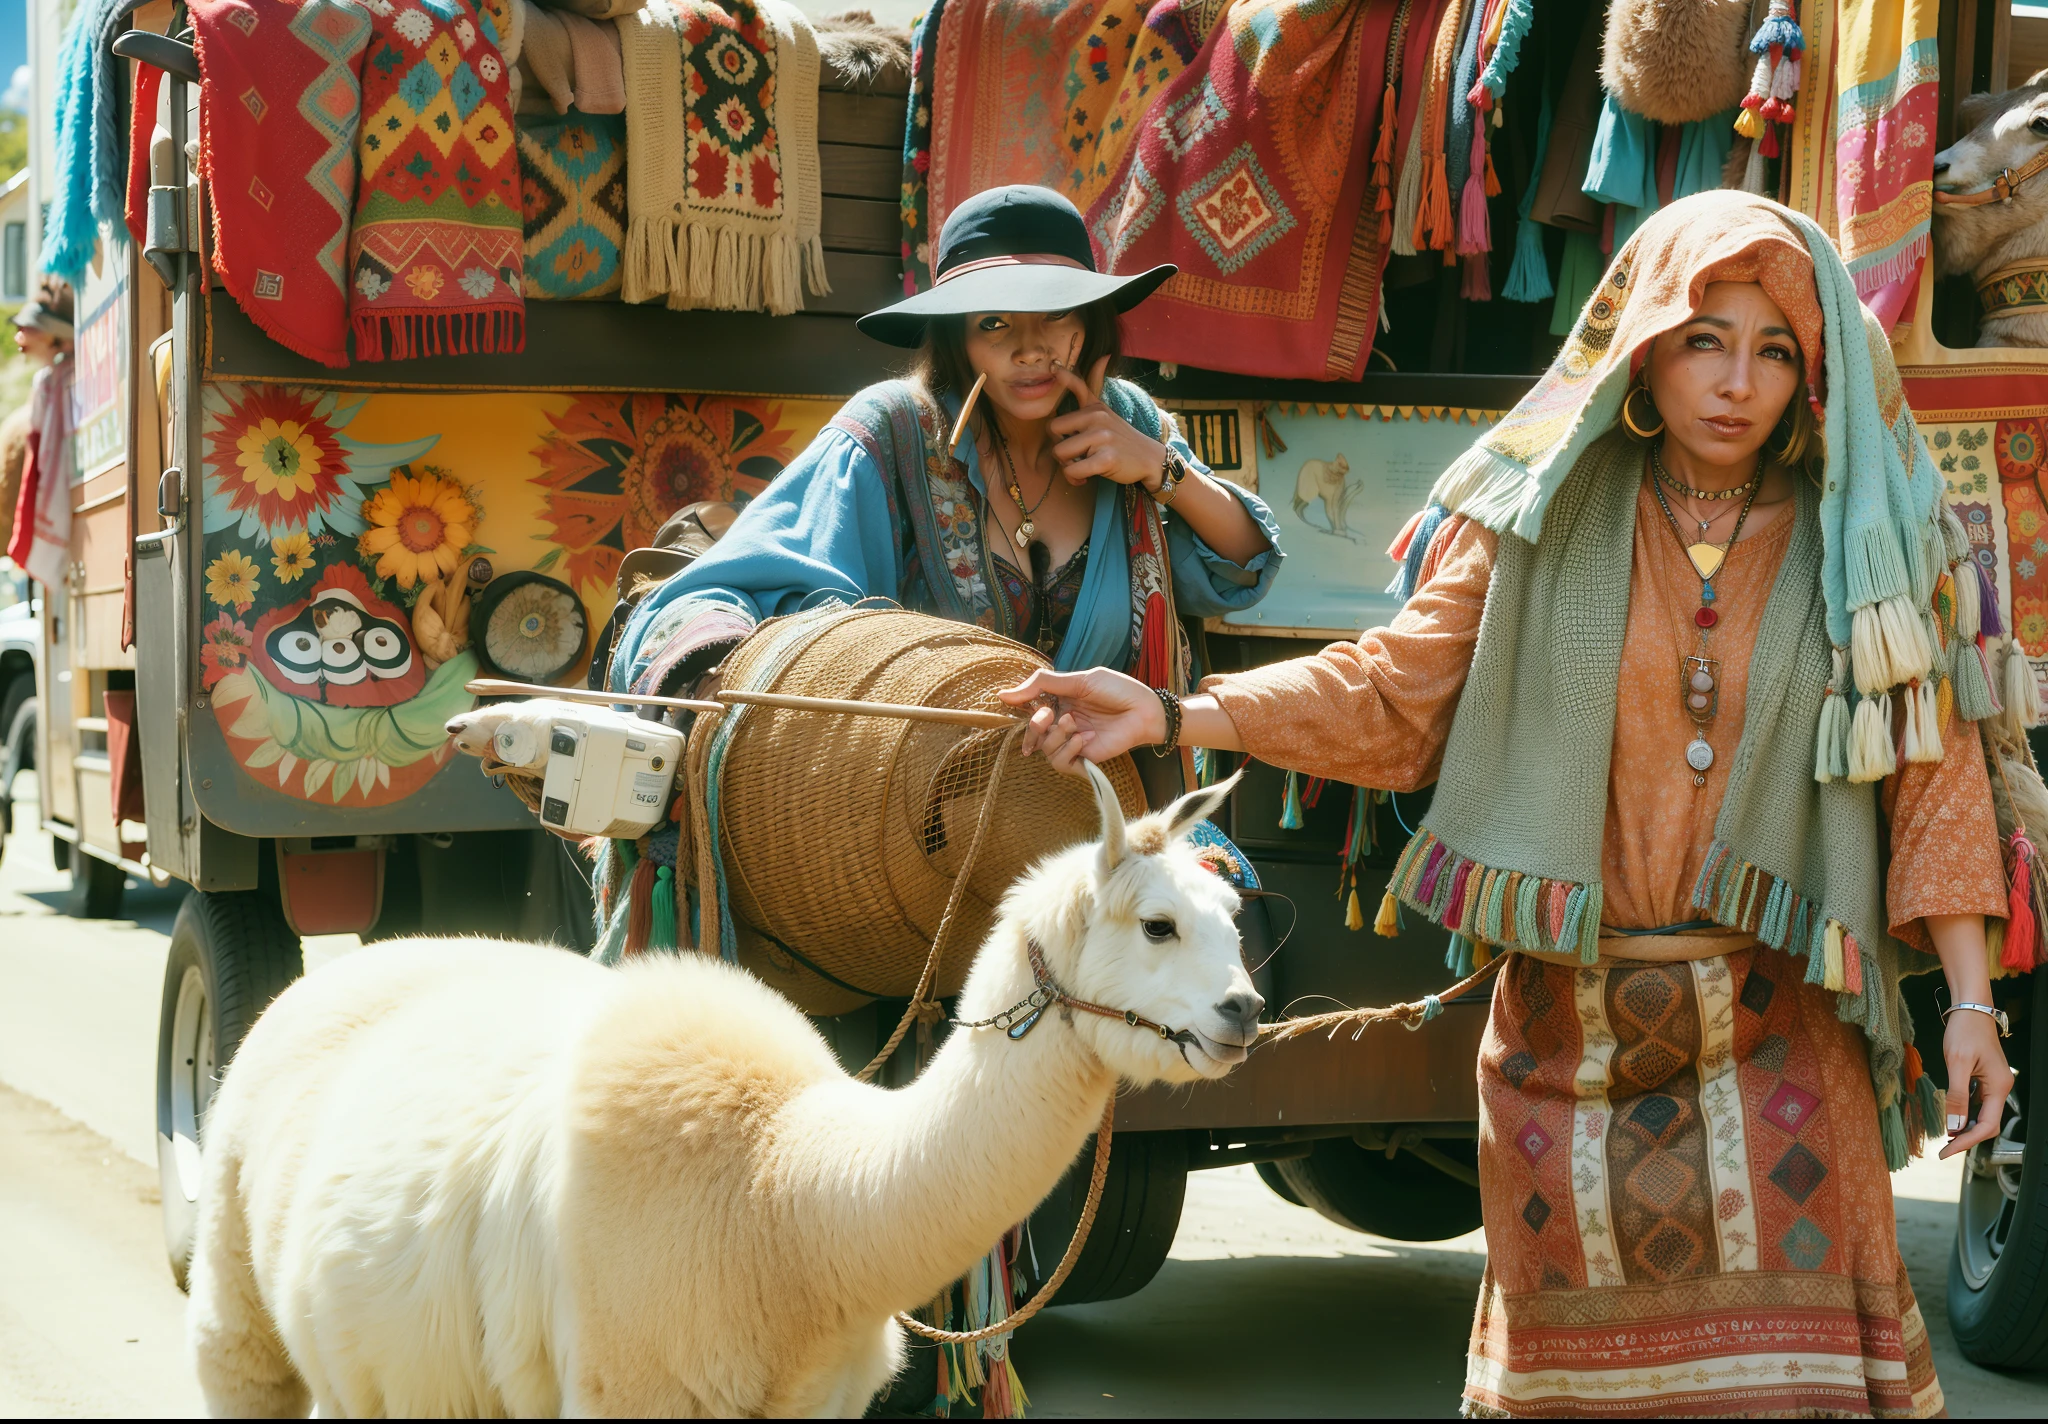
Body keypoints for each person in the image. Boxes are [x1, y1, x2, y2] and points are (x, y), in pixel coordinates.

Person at [1000, 189, 2012, 1418]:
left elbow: (1933, 774)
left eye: (1773, 350)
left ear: (1812, 372)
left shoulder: (1865, 549)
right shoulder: (1527, 522)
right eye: (1704, 338)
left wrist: (1968, 1005)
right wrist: (1172, 712)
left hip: (1779, 1033)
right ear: (1643, 344)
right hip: (1562, 1040)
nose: (1735, 381)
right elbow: (1390, 691)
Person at [609, 184, 1280, 737]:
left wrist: (1160, 468)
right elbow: (750, 585)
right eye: (994, 323)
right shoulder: (893, 431)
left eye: (1054, 314)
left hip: (1107, 806)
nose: (1029, 348)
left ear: (1092, 321)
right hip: (915, 816)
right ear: (958, 340)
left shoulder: (1132, 422)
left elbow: (1246, 562)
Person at [1, 277, 75, 572]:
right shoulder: (49, 383)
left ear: (52, 336)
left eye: (26, 327)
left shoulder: (56, 382)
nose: (19, 336)